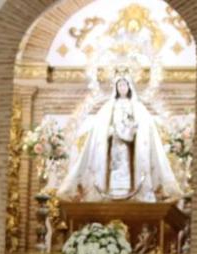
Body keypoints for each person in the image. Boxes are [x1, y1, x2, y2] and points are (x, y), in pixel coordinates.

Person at [56, 75, 183, 203]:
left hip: (132, 147)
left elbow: (145, 128)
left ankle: (134, 191)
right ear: (116, 88)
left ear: (129, 87)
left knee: (128, 164)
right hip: (114, 144)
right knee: (115, 164)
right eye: (119, 85)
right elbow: (99, 129)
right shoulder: (108, 107)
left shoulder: (138, 107)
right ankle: (111, 190)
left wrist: (133, 130)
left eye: (124, 85)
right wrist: (110, 131)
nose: (122, 87)